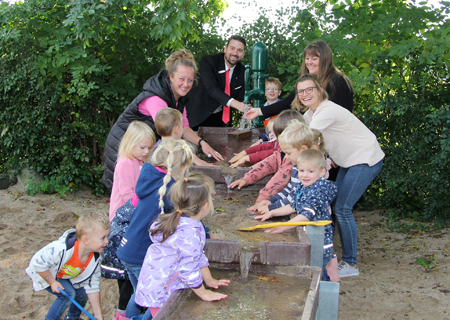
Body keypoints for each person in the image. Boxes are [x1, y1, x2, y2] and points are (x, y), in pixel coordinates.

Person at [297, 73, 384, 278]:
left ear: (319, 90)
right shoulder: (310, 113)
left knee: (343, 209)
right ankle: (331, 254)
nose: (305, 94)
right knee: (337, 206)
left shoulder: (326, 110)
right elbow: (300, 132)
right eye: (301, 91)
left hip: (364, 158)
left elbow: (306, 139)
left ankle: (351, 264)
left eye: (310, 89)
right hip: (349, 160)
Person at [102, 49, 223, 190]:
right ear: (171, 77)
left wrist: (202, 143)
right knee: (130, 195)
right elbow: (170, 134)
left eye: (190, 80)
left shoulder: (180, 98)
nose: (186, 84)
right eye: (181, 79)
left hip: (144, 148)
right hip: (125, 147)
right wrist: (197, 161)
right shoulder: (156, 98)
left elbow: (183, 127)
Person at [116, 139, 194, 319]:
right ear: (181, 167)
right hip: (140, 253)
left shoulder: (149, 177)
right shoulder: (170, 190)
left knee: (139, 293)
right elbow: (184, 219)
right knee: (156, 297)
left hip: (127, 247)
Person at [135, 173, 229, 319]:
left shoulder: (186, 223)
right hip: (161, 289)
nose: (212, 200)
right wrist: (203, 292)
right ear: (204, 206)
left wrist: (209, 279)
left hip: (160, 282)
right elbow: (188, 268)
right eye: (210, 197)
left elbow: (197, 254)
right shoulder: (189, 232)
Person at [258, 149, 338, 281]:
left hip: (320, 243)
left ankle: (324, 291)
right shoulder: (304, 186)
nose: (305, 175)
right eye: (301, 171)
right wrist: (272, 212)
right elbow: (293, 205)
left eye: (310, 171)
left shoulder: (319, 191)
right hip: (309, 236)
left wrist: (284, 226)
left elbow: (307, 214)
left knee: (318, 271)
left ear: (322, 172)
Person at [26, 212, 110, 320]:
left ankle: (72, 317)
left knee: (82, 292)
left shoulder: (95, 259)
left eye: (107, 236)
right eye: (103, 238)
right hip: (45, 272)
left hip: (64, 275)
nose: (107, 241)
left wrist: (98, 315)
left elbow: (92, 286)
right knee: (68, 294)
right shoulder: (60, 249)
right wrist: (52, 282)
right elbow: (37, 262)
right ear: (86, 240)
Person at [244, 40, 353, 121]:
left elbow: (341, 115)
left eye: (314, 59)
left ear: (325, 60)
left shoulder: (337, 81)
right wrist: (259, 111)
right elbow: (289, 102)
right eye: (307, 58)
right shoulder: (308, 80)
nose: (309, 62)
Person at [227, 111, 305, 211]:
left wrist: (260, 200)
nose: (278, 142)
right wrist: (246, 179)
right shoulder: (283, 152)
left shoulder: (294, 160)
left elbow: (278, 180)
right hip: (287, 199)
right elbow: (266, 165)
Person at [186, 35, 247, 129]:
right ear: (225, 48)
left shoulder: (242, 71)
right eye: (232, 48)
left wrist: (248, 105)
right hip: (198, 115)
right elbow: (212, 89)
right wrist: (236, 104)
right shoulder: (209, 61)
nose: (235, 53)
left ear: (243, 54)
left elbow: (241, 97)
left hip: (221, 119)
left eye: (239, 50)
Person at [109, 121, 156, 221]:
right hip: (122, 217)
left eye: (149, 148)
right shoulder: (125, 163)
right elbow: (127, 196)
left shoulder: (139, 162)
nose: (147, 151)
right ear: (130, 143)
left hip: (133, 213)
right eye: (142, 147)